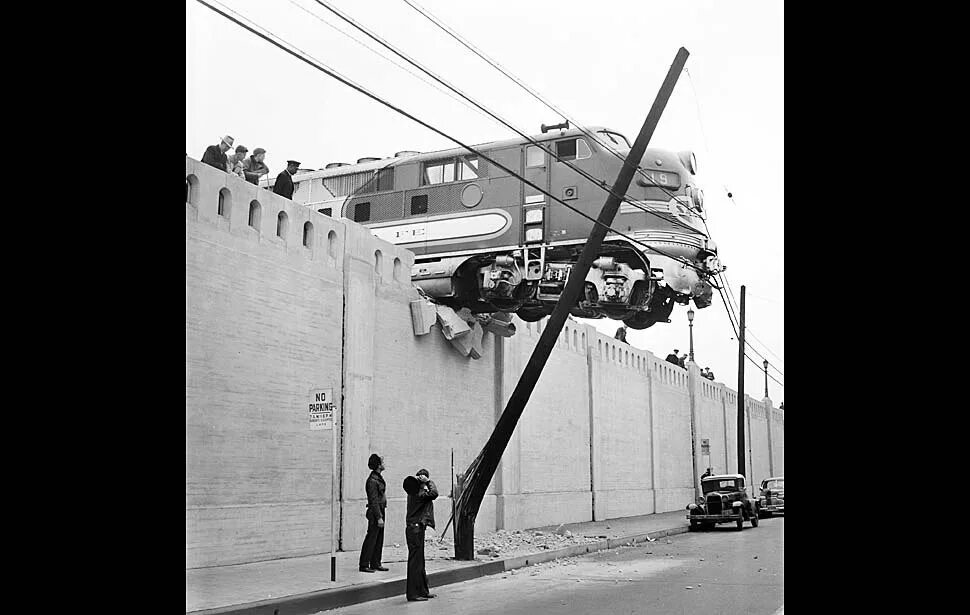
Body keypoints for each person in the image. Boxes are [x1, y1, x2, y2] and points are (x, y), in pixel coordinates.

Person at [403, 468, 438, 601]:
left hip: (416, 529)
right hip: (415, 530)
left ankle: (422, 591)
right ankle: (413, 594)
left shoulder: (414, 493)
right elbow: (434, 493)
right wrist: (428, 481)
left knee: (419, 562)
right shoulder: (419, 495)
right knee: (415, 563)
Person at [359, 453, 388, 573]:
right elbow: (373, 501)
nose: (384, 463)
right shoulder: (372, 481)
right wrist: (379, 517)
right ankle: (364, 564)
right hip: (375, 512)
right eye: (382, 462)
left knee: (379, 538)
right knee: (371, 538)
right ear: (378, 465)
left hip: (380, 510)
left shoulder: (378, 477)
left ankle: (376, 563)